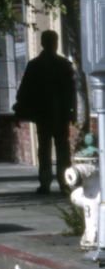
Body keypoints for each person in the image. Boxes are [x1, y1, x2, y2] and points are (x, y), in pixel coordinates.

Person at [13, 30, 78, 194]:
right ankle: (63, 183)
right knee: (61, 149)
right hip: (59, 113)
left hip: (44, 114)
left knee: (45, 149)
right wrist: (73, 112)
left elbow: (25, 89)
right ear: (54, 43)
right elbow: (71, 92)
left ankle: (47, 182)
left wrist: (20, 108)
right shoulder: (63, 64)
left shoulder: (36, 65)